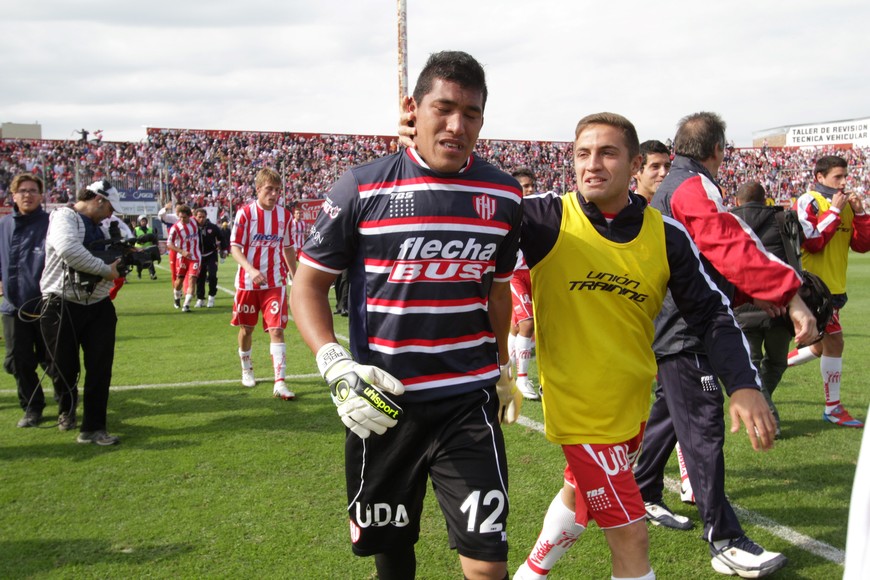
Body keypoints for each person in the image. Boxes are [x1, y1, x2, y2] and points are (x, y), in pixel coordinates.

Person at [291, 51, 523, 580]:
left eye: (472, 113)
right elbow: (307, 284)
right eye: (443, 108)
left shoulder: (504, 194)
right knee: (393, 561)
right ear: (410, 108)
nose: (457, 125)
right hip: (382, 403)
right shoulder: (361, 187)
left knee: (488, 566)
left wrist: (504, 366)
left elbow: (499, 291)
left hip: (468, 401)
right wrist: (333, 362)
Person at [634, 112, 815, 578]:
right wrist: (787, 294)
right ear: (718, 149)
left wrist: (757, 291)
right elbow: (727, 242)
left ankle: (644, 488)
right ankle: (724, 537)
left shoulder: (673, 183)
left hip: (673, 323)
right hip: (688, 326)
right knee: (703, 430)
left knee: (670, 414)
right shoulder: (692, 185)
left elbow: (706, 255)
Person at [787, 155, 870, 427]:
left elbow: (861, 245)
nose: (844, 182)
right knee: (835, 343)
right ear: (820, 178)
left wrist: (859, 214)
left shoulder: (845, 205)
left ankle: (769, 367)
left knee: (820, 347)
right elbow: (812, 242)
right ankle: (833, 408)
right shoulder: (809, 201)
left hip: (836, 288)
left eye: (845, 176)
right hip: (814, 289)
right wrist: (833, 212)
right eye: (838, 177)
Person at [39, 180, 123, 445]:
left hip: (97, 304)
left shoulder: (98, 228)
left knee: (100, 367)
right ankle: (67, 406)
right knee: (63, 365)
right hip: (61, 302)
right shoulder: (64, 216)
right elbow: (69, 250)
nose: (111, 213)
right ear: (99, 199)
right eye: (110, 207)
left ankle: (94, 427)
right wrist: (105, 269)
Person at [730, 181, 797, 437]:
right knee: (777, 362)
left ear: (737, 202)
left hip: (743, 304)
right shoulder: (782, 219)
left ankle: (762, 406)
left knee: (754, 365)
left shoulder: (726, 221)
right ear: (765, 199)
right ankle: (769, 416)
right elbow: (796, 258)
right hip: (780, 303)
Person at [230, 167, 296, 401]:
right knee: (246, 329)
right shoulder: (245, 214)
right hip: (247, 284)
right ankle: (247, 368)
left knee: (277, 330)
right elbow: (235, 248)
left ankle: (280, 382)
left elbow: (288, 247)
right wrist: (250, 269)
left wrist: (295, 277)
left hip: (275, 283)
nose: (274, 194)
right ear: (258, 189)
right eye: (269, 189)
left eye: (277, 190)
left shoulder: (286, 217)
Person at [1, 173, 52, 428]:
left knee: (54, 360)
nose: (28, 195)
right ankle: (32, 408)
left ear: (41, 195)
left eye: (33, 190)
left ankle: (67, 405)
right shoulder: (4, 225)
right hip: (12, 307)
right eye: (22, 191)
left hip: (44, 306)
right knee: (19, 361)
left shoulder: (50, 223)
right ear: (13, 196)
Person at [508, 167, 539, 400]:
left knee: (518, 327)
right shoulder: (508, 210)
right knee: (527, 324)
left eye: (531, 185)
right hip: (514, 274)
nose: (530, 190)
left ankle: (507, 368)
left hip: (534, 274)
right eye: (525, 186)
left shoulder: (540, 211)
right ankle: (522, 379)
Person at [165, 205, 200, 312]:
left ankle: (186, 305)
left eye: (184, 217)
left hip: (195, 257)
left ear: (189, 216)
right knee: (179, 280)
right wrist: (182, 251)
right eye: (180, 217)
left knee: (192, 279)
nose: (182, 219)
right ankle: (176, 296)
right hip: (182, 258)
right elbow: (169, 244)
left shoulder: (194, 222)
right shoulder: (175, 228)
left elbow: (200, 215)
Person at [193, 208, 226, 308]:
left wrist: (223, 250)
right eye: (199, 217)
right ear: (195, 217)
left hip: (211, 254)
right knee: (200, 278)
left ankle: (211, 297)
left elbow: (221, 238)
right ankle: (200, 298)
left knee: (212, 275)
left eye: (203, 217)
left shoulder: (213, 227)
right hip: (198, 256)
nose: (202, 219)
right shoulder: (192, 227)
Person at [134, 215, 159, 280]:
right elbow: (133, 238)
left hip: (148, 248)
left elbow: (154, 238)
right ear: (139, 222)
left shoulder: (150, 229)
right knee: (139, 263)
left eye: (145, 221)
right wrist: (139, 241)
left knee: (150, 262)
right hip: (139, 249)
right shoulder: (136, 230)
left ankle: (152, 274)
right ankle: (139, 273)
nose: (143, 222)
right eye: (142, 221)